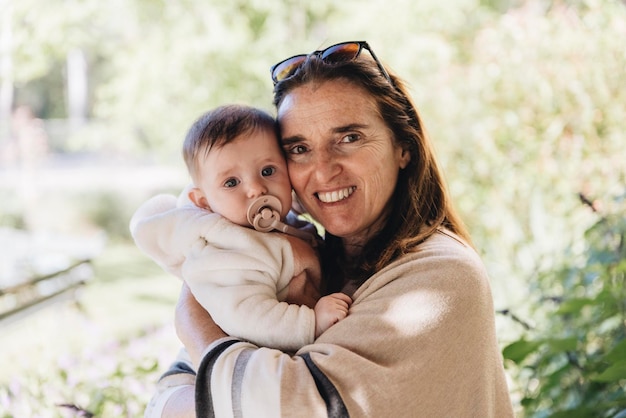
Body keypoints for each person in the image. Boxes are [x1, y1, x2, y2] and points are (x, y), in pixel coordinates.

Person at [147, 41, 515, 417]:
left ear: (403, 147)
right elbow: (167, 395)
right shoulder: (309, 261)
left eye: (349, 138)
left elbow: (296, 408)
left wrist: (194, 325)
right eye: (299, 149)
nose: (323, 171)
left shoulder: (440, 275)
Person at [130, 104, 352, 353]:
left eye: (268, 171)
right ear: (204, 202)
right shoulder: (226, 250)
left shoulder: (282, 225)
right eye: (231, 182)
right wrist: (311, 322)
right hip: (262, 364)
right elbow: (245, 314)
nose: (256, 189)